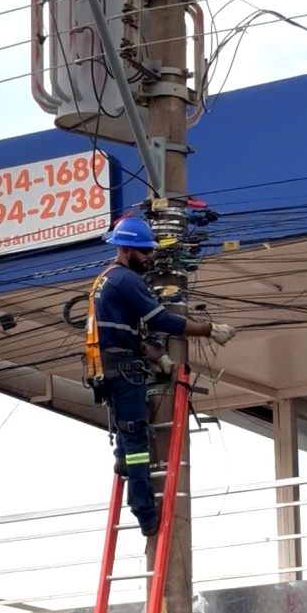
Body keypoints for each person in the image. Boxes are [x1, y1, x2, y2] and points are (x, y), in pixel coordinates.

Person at [87, 216, 236, 537]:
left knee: (128, 434)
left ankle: (122, 459)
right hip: (123, 370)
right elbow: (162, 321)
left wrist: (157, 356)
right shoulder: (126, 280)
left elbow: (120, 334)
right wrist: (209, 330)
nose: (149, 258)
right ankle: (145, 514)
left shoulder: (104, 279)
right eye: (143, 252)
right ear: (125, 250)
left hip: (107, 368)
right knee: (138, 441)